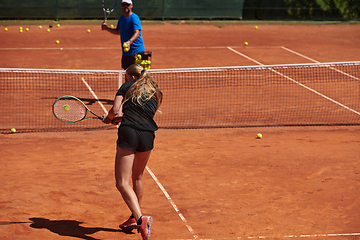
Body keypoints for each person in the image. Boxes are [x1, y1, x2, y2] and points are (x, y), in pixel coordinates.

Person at [103, 64, 162, 240]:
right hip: (148, 136)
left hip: (129, 133)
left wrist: (108, 119)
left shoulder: (127, 86)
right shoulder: (155, 91)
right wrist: (117, 119)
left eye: (126, 76)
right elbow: (141, 115)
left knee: (121, 183)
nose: (126, 79)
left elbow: (114, 111)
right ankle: (133, 218)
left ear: (132, 77)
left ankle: (140, 219)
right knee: (137, 177)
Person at [101, 0, 145, 70]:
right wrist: (107, 28)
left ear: (131, 5)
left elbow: (137, 33)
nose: (125, 6)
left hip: (137, 52)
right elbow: (118, 32)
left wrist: (129, 42)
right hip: (126, 53)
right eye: (123, 5)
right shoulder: (121, 19)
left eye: (127, 4)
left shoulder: (134, 17)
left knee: (139, 77)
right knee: (128, 76)